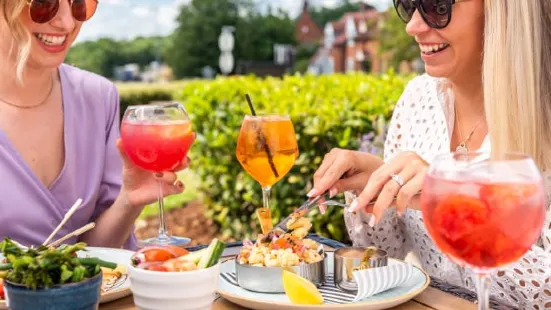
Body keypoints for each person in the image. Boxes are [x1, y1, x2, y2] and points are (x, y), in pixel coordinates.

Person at [309, 0, 551, 308]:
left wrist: (452, 205)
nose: (413, 26)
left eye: (437, 6)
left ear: (501, 12)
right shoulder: (418, 99)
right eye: (408, 5)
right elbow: (389, 254)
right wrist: (375, 190)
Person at [0, 0, 189, 250]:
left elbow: (98, 256)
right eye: (44, 4)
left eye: (79, 4)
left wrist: (129, 200)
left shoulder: (98, 97)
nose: (67, 23)